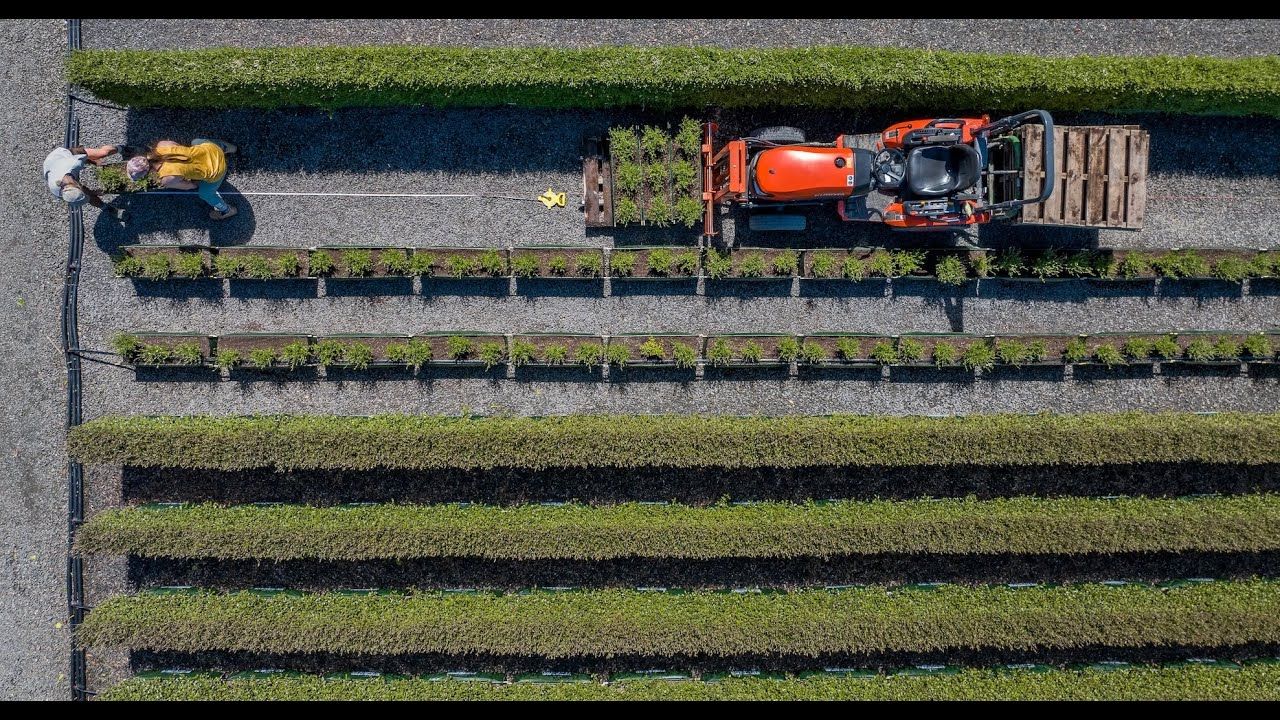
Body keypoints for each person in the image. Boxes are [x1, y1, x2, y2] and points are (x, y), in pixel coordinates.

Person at [128, 138, 239, 220]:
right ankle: (228, 148)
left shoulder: (167, 179)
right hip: (213, 150)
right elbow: (180, 149)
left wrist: (192, 177)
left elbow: (192, 186)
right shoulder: (162, 145)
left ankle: (227, 210)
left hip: (218, 170)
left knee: (205, 194)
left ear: (146, 174)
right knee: (195, 142)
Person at [42, 144, 127, 220]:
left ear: (77, 186)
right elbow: (85, 193)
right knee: (89, 196)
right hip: (50, 166)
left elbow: (85, 158)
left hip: (59, 155)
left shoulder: (75, 163)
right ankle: (106, 207)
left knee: (102, 153)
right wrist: (92, 193)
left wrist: (94, 162)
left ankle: (121, 148)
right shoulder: (57, 191)